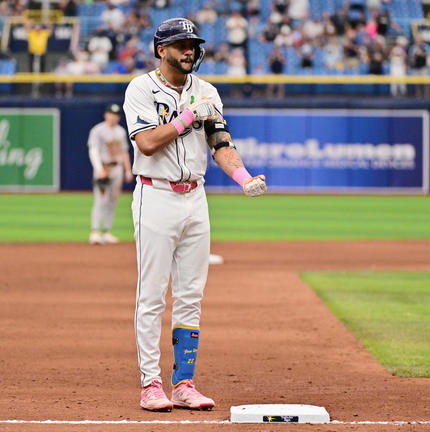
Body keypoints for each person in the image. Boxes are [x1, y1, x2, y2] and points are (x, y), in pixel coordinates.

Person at [123, 17, 267, 412]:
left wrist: (242, 176)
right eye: (181, 44)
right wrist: (189, 116)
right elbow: (148, 143)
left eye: (193, 43)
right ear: (161, 49)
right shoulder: (141, 89)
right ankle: (150, 384)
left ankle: (183, 383)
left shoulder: (207, 91)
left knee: (190, 297)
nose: (190, 50)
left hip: (196, 199)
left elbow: (220, 142)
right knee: (152, 295)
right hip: (155, 196)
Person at [88, 103, 133, 245]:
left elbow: (124, 151)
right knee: (100, 201)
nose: (114, 117)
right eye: (111, 114)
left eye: (116, 114)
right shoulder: (98, 130)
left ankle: (106, 232)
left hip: (118, 168)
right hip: (104, 168)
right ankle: (95, 232)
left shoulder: (121, 131)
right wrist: (98, 169)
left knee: (113, 202)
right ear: (105, 114)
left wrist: (128, 169)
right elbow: (93, 150)